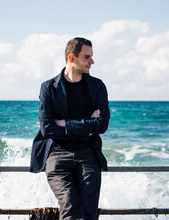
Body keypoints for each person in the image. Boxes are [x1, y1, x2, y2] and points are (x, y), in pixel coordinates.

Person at [30, 37, 110, 220]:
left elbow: (102, 124)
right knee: (71, 208)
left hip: (87, 152)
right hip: (57, 154)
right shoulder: (48, 87)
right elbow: (47, 129)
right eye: (87, 57)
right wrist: (86, 125)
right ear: (72, 58)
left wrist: (64, 123)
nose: (92, 62)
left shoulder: (97, 86)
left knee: (89, 213)